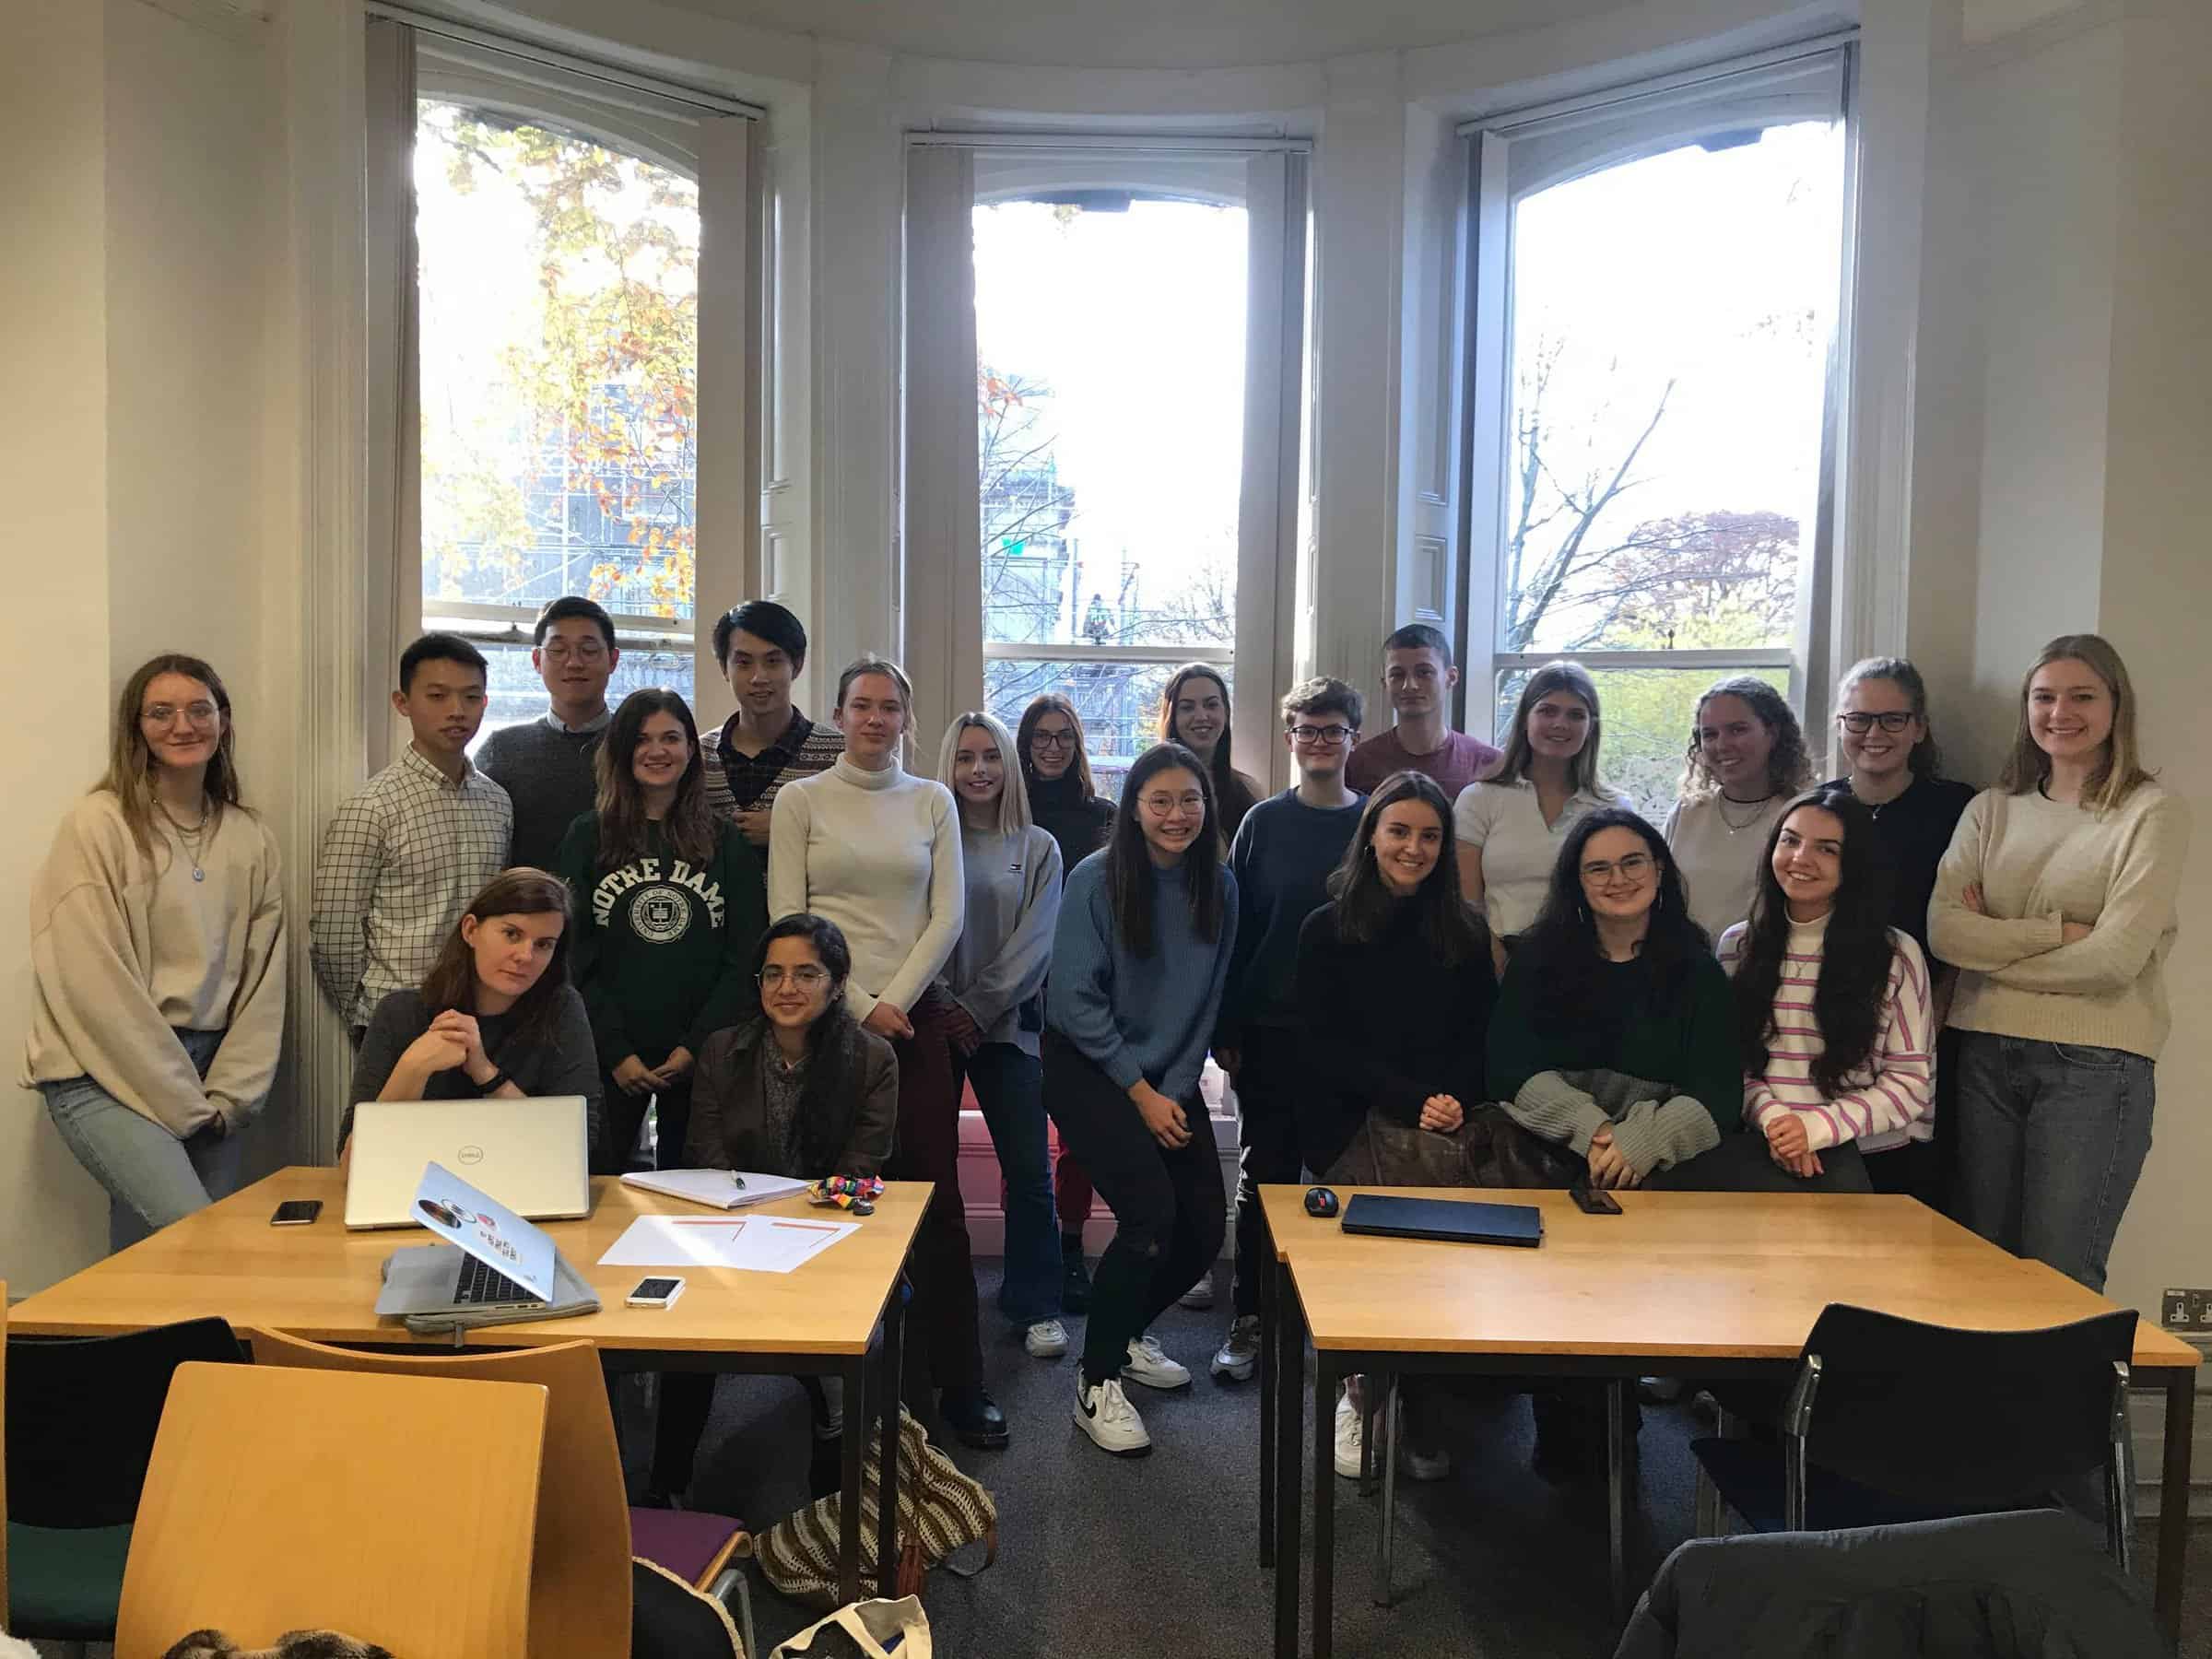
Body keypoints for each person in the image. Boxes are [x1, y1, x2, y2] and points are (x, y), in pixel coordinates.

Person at [768, 654, 1001, 1447]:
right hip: (823, 1019)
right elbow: (786, 920)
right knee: (836, 1201)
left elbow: (948, 917)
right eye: (861, 706)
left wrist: (893, 1002)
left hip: (917, 1019)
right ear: (838, 714)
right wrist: (858, 1005)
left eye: (889, 707)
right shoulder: (802, 800)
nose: (874, 719)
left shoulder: (932, 800)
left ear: (907, 719)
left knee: (935, 1206)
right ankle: (839, 1387)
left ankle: (959, 1384)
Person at [1930, 634, 2190, 1293]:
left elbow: (2114, 961)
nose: (2059, 712)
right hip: (1984, 1053)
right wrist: (2057, 932)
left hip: (2095, 1066)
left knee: (2059, 1276)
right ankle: (1990, 1402)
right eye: (2044, 697)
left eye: (2082, 696)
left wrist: (1994, 948)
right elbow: (1945, 932)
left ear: (2115, 706)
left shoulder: (2150, 813)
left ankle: (2069, 1403)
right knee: (1979, 1268)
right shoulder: (1990, 810)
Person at [25, 653, 287, 1252]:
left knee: (157, 1263)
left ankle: (161, 1351)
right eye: (161, 712)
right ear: (135, 727)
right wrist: (177, 1096)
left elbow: (264, 983)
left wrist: (230, 1097)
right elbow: (91, 981)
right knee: (203, 1244)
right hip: (103, 1069)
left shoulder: (250, 836)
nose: (183, 726)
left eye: (200, 710)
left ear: (223, 721)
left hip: (211, 1075)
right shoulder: (99, 824)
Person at [651, 912, 900, 1505]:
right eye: (773, 974)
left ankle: (832, 1497)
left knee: (848, 1350)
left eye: (806, 974)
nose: (786, 989)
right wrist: (750, 1224)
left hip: (827, 1239)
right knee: (688, 1337)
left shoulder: (872, 1059)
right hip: (731, 1231)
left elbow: (859, 1168)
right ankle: (664, 1492)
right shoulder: (722, 1050)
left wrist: (788, 1222)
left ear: (838, 984)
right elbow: (705, 1154)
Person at [1296, 770, 1497, 1480]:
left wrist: (1451, 1100)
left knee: (1444, 1261)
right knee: (1379, 1262)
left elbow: (1484, 1040)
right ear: (1372, 836)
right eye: (1399, 831)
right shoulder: (1328, 927)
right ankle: (1359, 1394)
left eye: (1430, 836)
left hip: (1445, 1120)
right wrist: (1412, 1099)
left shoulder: (1466, 932)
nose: (1414, 848)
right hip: (1353, 1118)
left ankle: (1416, 1402)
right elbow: (1319, 1048)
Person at [1046, 743, 1239, 1457]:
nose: (1176, 814)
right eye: (1159, 801)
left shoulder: (1219, 885)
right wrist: (1140, 1093)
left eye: (1189, 800)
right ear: (1133, 808)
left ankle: (1123, 1335)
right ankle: (1094, 1384)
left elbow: (1208, 999)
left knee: (1201, 1231)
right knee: (1149, 1215)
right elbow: (1072, 1001)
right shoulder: (1096, 879)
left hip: (1167, 1078)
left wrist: (1175, 1091)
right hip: (1088, 1069)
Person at [1209, 677, 1367, 1385]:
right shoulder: (1262, 823)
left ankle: (1332, 1320)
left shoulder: (1373, 824)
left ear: (1353, 738)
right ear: (1290, 739)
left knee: (1340, 1181)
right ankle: (1252, 1317)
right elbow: (1235, 930)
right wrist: (1228, 1026)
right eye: (1307, 730)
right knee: (1263, 1179)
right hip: (1268, 1029)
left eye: (1333, 730)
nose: (1320, 742)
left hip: (1345, 1038)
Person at [556, 688, 767, 1174]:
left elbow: (745, 955)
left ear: (692, 750)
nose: (657, 751)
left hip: (701, 1056)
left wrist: (695, 1048)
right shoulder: (586, 837)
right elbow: (570, 953)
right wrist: (616, 1051)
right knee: (591, 1188)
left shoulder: (723, 841)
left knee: (695, 1199)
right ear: (622, 749)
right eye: (643, 739)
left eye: (671, 738)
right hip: (606, 1052)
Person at [1717, 786, 1936, 1196]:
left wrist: (1815, 1129)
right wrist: (1779, 1124)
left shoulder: (1894, 953)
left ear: (1854, 864)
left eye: (1827, 849)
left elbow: (1909, 1086)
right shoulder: (1737, 946)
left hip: (1867, 1161)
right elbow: (1731, 1065)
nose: (1801, 859)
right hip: (1758, 1149)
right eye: (1791, 840)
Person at [935, 712, 1067, 1361]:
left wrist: (979, 1007)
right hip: (932, 1023)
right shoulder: (930, 836)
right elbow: (915, 926)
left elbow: (1035, 945)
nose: (978, 769)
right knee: (926, 1169)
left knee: (1029, 1171)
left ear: (1008, 766)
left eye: (990, 756)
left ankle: (1035, 1302)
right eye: (965, 758)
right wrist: (943, 1006)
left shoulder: (1037, 846)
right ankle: (928, 1294)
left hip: (1008, 1029)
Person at [311, 633, 512, 1038]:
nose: (457, 711)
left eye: (471, 698)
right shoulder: (371, 807)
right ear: (402, 702)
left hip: (481, 1012)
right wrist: (368, 1015)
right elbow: (334, 933)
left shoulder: (497, 802)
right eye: (437, 696)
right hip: (399, 1014)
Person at [347, 867, 599, 1146]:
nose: (526, 956)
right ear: (470, 930)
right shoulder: (399, 1013)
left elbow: (578, 1149)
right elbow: (351, 1164)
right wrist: (414, 1066)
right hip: (417, 1187)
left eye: (543, 945)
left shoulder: (561, 1009)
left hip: (519, 1186)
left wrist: (486, 1073)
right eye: (512, 934)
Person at [1016, 692, 1118, 1312]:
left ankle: (1073, 1248)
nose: (1052, 747)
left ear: (1078, 746)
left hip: (1085, 993)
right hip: (1019, 995)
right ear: (1024, 746)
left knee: (1077, 1136)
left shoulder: (1104, 817)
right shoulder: (1003, 815)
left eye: (1063, 737)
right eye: (1040, 737)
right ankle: (1035, 1253)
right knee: (1025, 1134)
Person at [1454, 660, 1632, 971]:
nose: (1560, 724)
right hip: (1494, 960)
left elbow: (1623, 902)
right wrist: (1497, 964)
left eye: (1575, 714)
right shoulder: (1479, 799)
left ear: (1592, 726)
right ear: (1525, 719)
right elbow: (1468, 902)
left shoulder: (1614, 808)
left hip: (1589, 966)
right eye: (1548, 711)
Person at [477, 596, 620, 872]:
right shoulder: (503, 749)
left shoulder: (639, 747)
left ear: (612, 659)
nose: (574, 662)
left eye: (589, 649)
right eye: (558, 649)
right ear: (537, 660)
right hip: (529, 911)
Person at [1665, 677, 1813, 944]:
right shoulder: (1686, 814)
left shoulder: (1804, 817)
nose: (1722, 745)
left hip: (1767, 974)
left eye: (1737, 729)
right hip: (1688, 974)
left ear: (1773, 732)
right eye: (1709, 734)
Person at [700, 599, 844, 855]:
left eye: (773, 662)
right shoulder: (698, 756)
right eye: (744, 663)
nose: (759, 678)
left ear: (797, 665)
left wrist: (790, 828)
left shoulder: (838, 754)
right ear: (724, 668)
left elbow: (863, 840)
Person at [1344, 623, 1501, 798]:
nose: (1410, 685)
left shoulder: (1488, 764)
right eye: (1397, 675)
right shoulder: (1356, 764)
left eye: (1424, 673)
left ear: (1451, 677)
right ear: (1384, 684)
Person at [1159, 663, 1262, 845]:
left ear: (1226, 712)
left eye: (1211, 705)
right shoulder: (1150, 789)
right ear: (1171, 716)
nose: (1201, 716)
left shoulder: (1248, 790)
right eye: (1187, 707)